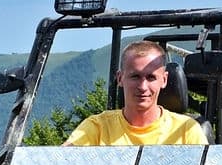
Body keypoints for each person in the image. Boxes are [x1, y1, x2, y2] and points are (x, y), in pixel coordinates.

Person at [64, 40, 207, 146]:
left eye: (151, 77)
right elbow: (62, 163)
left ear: (164, 80)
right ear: (120, 78)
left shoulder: (186, 130)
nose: (143, 87)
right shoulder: (97, 128)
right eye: (135, 77)